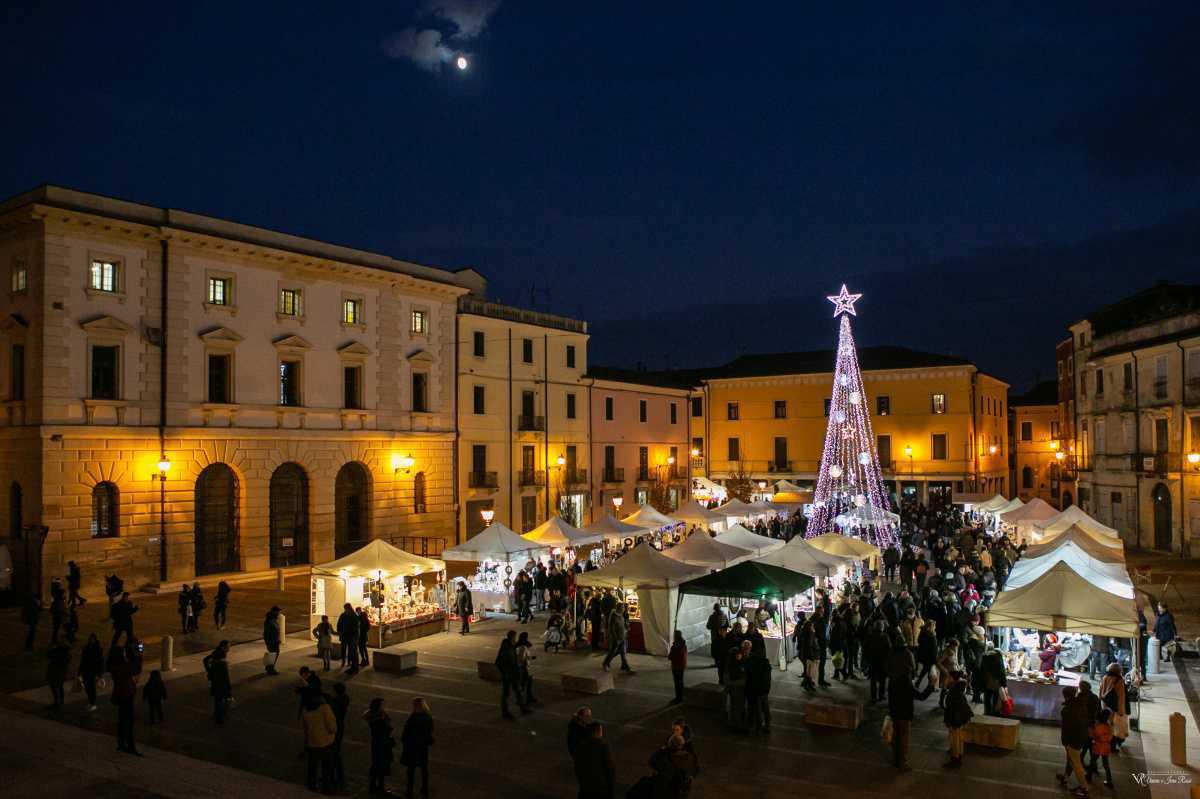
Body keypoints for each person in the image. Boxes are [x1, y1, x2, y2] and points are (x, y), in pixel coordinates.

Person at [887, 635, 916, 771]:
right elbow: (913, 667)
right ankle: (902, 761)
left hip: (893, 694)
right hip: (905, 708)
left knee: (896, 732)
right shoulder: (908, 654)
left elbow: (887, 668)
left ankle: (895, 758)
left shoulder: (891, 654)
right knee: (904, 734)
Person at [108, 641, 143, 755]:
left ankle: (122, 743)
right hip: (125, 696)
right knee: (127, 721)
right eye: (123, 652)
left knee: (123, 720)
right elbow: (137, 668)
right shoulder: (121, 667)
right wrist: (139, 654)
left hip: (123, 695)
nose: (124, 654)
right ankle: (129, 745)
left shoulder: (115, 666)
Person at [1057, 685, 1091, 796]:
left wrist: (1065, 742)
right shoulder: (1080, 704)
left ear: (1065, 696)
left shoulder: (1068, 710)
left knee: (1076, 763)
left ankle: (1084, 788)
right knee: (1071, 760)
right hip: (1081, 737)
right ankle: (1066, 777)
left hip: (1072, 740)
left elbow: (1067, 728)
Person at [301, 693, 337, 793]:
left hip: (312, 742)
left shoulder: (305, 710)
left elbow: (305, 729)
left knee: (312, 766)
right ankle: (326, 787)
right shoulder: (325, 708)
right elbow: (332, 727)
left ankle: (312, 785)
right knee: (326, 766)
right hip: (326, 742)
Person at [399, 697, 435, 799]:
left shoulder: (414, 716)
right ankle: (424, 789)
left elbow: (406, 730)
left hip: (413, 747)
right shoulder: (427, 717)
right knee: (423, 769)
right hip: (421, 747)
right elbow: (430, 730)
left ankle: (410, 790)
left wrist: (405, 740)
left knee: (412, 769)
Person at [573, 722, 616, 799]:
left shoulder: (580, 746)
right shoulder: (603, 746)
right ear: (598, 732)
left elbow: (577, 767)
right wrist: (611, 791)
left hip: (585, 789)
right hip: (600, 790)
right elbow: (609, 770)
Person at [364, 698, 396, 796]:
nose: (383, 707)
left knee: (376, 764)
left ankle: (373, 785)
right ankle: (380, 787)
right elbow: (387, 729)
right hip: (382, 744)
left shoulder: (374, 717)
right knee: (381, 764)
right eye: (381, 705)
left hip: (376, 743)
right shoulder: (379, 720)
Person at [943, 670, 973, 768]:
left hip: (956, 718)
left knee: (955, 738)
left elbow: (951, 707)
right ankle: (958, 756)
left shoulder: (954, 691)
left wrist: (949, 720)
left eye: (948, 677)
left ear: (952, 679)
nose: (946, 679)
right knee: (959, 737)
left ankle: (955, 759)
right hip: (960, 717)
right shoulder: (958, 688)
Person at [1099, 662, 1128, 753]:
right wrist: (1121, 711)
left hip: (1105, 705)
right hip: (1115, 708)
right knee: (1115, 728)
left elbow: (1101, 692)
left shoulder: (1105, 677)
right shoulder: (1119, 680)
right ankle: (1113, 746)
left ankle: (1107, 743)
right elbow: (1121, 697)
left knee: (1108, 725)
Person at [745, 642, 772, 735]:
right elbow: (768, 678)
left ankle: (759, 727)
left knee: (758, 709)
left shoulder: (751, 662)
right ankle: (767, 725)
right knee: (765, 708)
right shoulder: (766, 663)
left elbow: (750, 676)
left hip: (756, 690)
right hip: (764, 689)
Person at [496, 630, 524, 719]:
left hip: (513, 673)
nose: (515, 639)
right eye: (515, 637)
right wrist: (505, 673)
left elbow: (515, 645)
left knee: (518, 691)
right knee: (506, 694)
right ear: (512, 637)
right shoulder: (506, 649)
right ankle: (505, 712)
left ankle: (522, 707)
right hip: (508, 675)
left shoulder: (510, 645)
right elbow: (499, 663)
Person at [203, 640, 233, 724]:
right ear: (223, 647)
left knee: (218, 699)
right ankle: (219, 717)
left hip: (215, 680)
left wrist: (209, 671)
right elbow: (225, 676)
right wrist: (229, 687)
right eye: (228, 647)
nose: (229, 648)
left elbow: (205, 660)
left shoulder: (217, 653)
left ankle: (217, 715)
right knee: (220, 699)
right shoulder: (221, 661)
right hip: (220, 682)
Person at [327, 683, 350, 791]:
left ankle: (335, 777)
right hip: (340, 726)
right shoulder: (344, 699)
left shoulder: (335, 703)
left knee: (333, 753)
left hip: (335, 727)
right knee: (335, 753)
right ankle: (338, 777)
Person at [1086, 708, 1115, 788]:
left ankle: (1089, 775)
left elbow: (1093, 736)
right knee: (1106, 764)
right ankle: (1109, 781)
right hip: (1106, 747)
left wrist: (1090, 731)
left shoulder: (1097, 726)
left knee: (1093, 761)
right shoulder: (1109, 726)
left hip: (1098, 747)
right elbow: (1110, 737)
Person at [863, 621, 890, 702]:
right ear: (882, 627)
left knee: (873, 680)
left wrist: (866, 659)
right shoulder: (885, 637)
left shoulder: (870, 636)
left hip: (872, 661)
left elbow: (865, 648)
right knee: (882, 679)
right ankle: (881, 695)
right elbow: (889, 649)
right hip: (882, 661)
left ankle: (874, 697)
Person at [602, 603, 632, 673]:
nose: (624, 609)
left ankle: (625, 666)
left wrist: (626, 627)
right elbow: (611, 629)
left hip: (622, 637)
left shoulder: (621, 615)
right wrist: (615, 638)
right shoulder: (614, 617)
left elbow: (623, 625)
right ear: (619, 608)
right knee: (612, 652)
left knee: (623, 653)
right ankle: (605, 664)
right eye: (623, 608)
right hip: (616, 638)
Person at [979, 642, 1007, 715]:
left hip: (986, 680)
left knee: (987, 696)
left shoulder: (984, 656)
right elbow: (1002, 670)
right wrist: (1004, 683)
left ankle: (987, 712)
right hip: (996, 680)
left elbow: (981, 669)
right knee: (995, 696)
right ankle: (994, 712)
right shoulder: (998, 656)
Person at [79, 633, 104, 711]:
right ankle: (91, 702)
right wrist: (79, 671)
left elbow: (100, 662)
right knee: (87, 687)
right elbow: (83, 660)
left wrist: (99, 674)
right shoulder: (86, 648)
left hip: (92, 672)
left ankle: (93, 703)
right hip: (86, 671)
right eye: (90, 638)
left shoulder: (98, 649)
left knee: (91, 688)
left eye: (92, 639)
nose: (91, 640)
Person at [45, 641, 71, 709]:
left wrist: (54, 653)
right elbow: (48, 655)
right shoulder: (57, 650)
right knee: (54, 686)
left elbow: (63, 661)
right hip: (54, 671)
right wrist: (52, 649)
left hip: (59, 672)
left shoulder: (65, 653)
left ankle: (59, 702)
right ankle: (57, 701)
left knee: (58, 686)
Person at [516, 631, 537, 704]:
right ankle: (522, 700)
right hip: (523, 668)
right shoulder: (523, 647)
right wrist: (527, 660)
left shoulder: (520, 645)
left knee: (527, 683)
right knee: (523, 684)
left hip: (523, 668)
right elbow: (521, 659)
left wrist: (530, 657)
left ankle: (528, 698)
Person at [668, 629, 688, 704]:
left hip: (676, 666)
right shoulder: (683, 645)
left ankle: (678, 698)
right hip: (681, 665)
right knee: (680, 682)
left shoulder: (676, 646)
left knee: (677, 683)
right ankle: (681, 696)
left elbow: (671, 656)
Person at [337, 603, 358, 672]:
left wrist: (353, 634)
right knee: (344, 649)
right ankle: (344, 661)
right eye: (345, 609)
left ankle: (350, 663)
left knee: (351, 650)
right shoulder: (343, 615)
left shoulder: (353, 616)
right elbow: (339, 624)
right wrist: (340, 632)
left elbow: (356, 627)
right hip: (345, 635)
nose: (346, 610)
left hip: (351, 636)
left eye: (347, 609)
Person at [263, 606, 282, 675]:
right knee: (273, 654)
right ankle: (270, 668)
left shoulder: (273, 619)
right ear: (274, 612)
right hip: (272, 641)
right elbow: (267, 633)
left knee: (274, 654)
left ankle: (269, 667)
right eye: (278, 612)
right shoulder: (269, 621)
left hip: (275, 641)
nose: (279, 613)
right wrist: (268, 642)